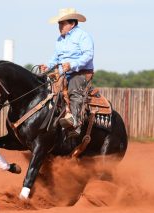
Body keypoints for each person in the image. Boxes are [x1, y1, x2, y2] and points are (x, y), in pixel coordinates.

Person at [40, 8, 94, 138]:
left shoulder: (83, 36)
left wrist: (72, 65)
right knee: (45, 89)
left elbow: (88, 55)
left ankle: (75, 123)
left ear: (72, 24)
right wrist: (48, 67)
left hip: (80, 72)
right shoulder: (60, 39)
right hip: (63, 73)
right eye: (59, 23)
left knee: (74, 90)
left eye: (62, 23)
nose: (60, 26)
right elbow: (55, 58)